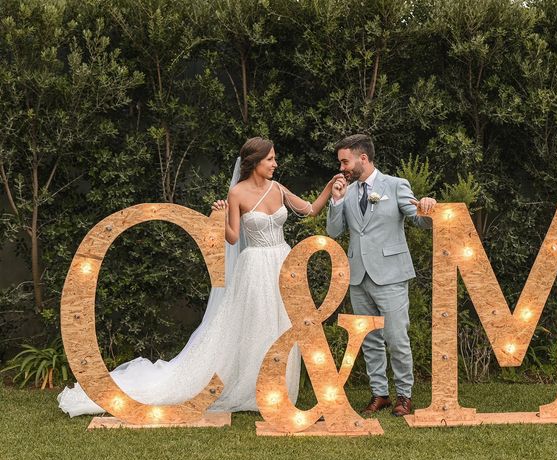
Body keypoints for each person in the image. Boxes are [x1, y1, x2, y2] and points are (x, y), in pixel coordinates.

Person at [58, 137, 339, 416]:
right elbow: (232, 238)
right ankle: (255, 388)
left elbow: (310, 210)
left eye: (275, 159)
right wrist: (220, 217)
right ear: (254, 162)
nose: (275, 164)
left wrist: (329, 187)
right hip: (254, 266)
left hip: (283, 262)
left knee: (282, 324)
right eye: (270, 159)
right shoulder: (237, 193)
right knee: (258, 323)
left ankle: (277, 390)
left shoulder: (278, 188)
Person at [326, 134, 436, 417]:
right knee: (370, 339)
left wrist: (426, 207)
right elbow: (334, 232)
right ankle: (380, 394)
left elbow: (419, 221)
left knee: (396, 337)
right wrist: (336, 201)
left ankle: (404, 395)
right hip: (358, 277)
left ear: (363, 158)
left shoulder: (396, 186)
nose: (342, 168)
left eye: (345, 161)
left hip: (391, 275)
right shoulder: (346, 192)